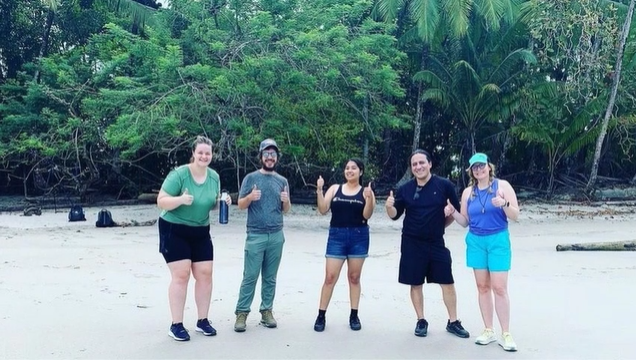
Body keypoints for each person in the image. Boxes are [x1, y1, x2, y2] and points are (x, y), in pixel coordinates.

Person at [385, 149, 470, 339]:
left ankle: (453, 321)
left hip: (436, 242)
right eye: (414, 164)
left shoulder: (444, 185)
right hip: (411, 242)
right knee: (415, 283)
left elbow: (453, 213)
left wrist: (443, 222)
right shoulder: (405, 189)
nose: (418, 167)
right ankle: (421, 320)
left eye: (422, 163)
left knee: (447, 281)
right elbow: (394, 215)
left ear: (430, 164)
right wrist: (389, 206)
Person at [156, 135, 232, 342]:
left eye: (207, 153)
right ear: (193, 153)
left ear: (212, 155)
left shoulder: (214, 177)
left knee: (205, 273)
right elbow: (161, 201)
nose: (204, 156)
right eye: (200, 152)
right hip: (174, 228)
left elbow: (210, 204)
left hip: (200, 230)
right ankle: (176, 324)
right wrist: (180, 199)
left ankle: (203, 321)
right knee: (181, 275)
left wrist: (222, 201)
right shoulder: (179, 174)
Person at [444, 152, 520, 352]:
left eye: (481, 165)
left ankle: (506, 332)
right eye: (474, 167)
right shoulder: (468, 192)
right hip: (476, 240)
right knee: (482, 286)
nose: (478, 170)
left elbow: (515, 215)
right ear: (471, 171)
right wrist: (453, 213)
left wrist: (503, 204)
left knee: (499, 287)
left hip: (498, 239)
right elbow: (465, 222)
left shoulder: (502, 186)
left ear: (488, 166)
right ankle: (488, 329)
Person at [233, 138, 291, 332]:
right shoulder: (251, 178)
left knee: (270, 277)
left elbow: (286, 209)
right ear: (260, 156)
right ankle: (241, 313)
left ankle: (267, 311)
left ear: (277, 158)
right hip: (255, 235)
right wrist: (250, 197)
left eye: (273, 154)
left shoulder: (282, 181)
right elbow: (240, 205)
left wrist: (286, 200)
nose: (270, 157)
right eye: (266, 154)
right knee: (250, 276)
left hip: (276, 234)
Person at [313, 158, 376, 332]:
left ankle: (354, 315)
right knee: (330, 277)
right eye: (347, 168)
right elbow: (323, 209)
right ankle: (321, 315)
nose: (350, 171)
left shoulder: (366, 191)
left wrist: (369, 199)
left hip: (359, 236)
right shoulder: (335, 189)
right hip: (337, 236)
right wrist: (319, 189)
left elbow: (367, 214)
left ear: (360, 172)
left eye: (354, 168)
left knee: (354, 278)